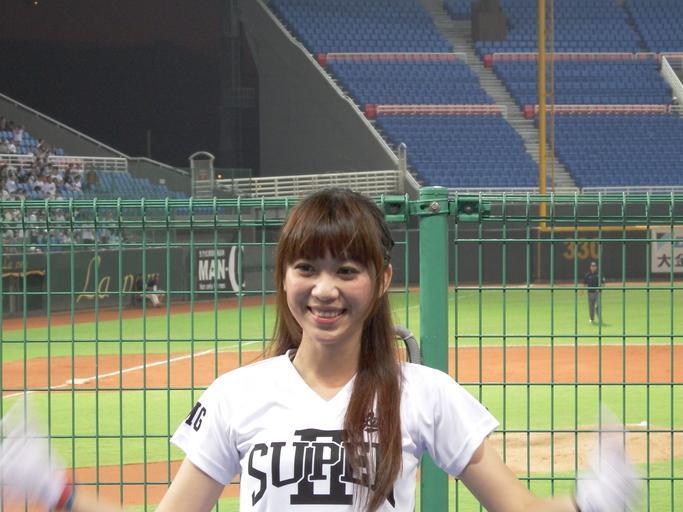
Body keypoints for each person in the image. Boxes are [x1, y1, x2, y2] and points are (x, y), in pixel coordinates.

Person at [0, 189, 640, 512]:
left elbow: (516, 508)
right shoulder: (236, 394)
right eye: (306, 268)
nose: (325, 289)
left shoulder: (426, 393)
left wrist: (593, 502)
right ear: (284, 278)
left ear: (382, 281)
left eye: (347, 270)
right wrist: (56, 491)